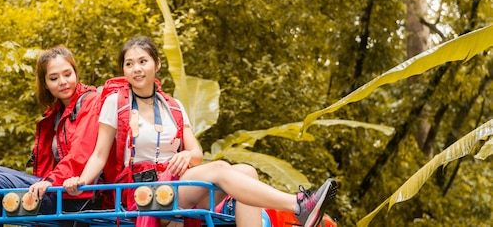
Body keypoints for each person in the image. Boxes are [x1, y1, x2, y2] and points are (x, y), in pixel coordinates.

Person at [63, 36, 337, 227]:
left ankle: (300, 208)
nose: (136, 68)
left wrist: (187, 157)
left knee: (247, 171)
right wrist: (80, 181)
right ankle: (298, 205)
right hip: (142, 194)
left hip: (176, 186)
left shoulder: (174, 106)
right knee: (219, 170)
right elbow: (99, 155)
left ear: (156, 65)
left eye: (143, 61)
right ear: (123, 69)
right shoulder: (115, 103)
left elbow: (196, 153)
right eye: (129, 63)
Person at [0, 46, 101, 227]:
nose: (63, 82)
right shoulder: (56, 114)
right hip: (57, 189)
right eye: (54, 78)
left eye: (67, 74)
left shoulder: (90, 102)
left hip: (76, 194)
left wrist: (50, 181)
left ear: (76, 73)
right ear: (45, 84)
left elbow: (81, 152)